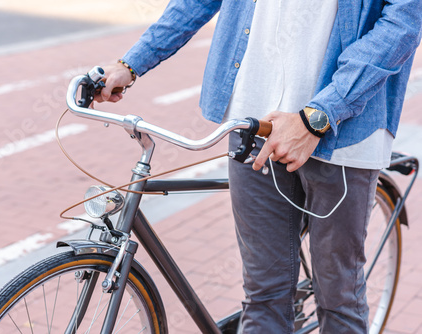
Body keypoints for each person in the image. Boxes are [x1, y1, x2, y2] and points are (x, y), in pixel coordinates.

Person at [94, 0, 422, 332]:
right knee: (264, 295)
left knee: (339, 298)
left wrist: (318, 118)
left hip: (342, 129)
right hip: (253, 120)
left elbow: (401, 23)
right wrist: (130, 64)